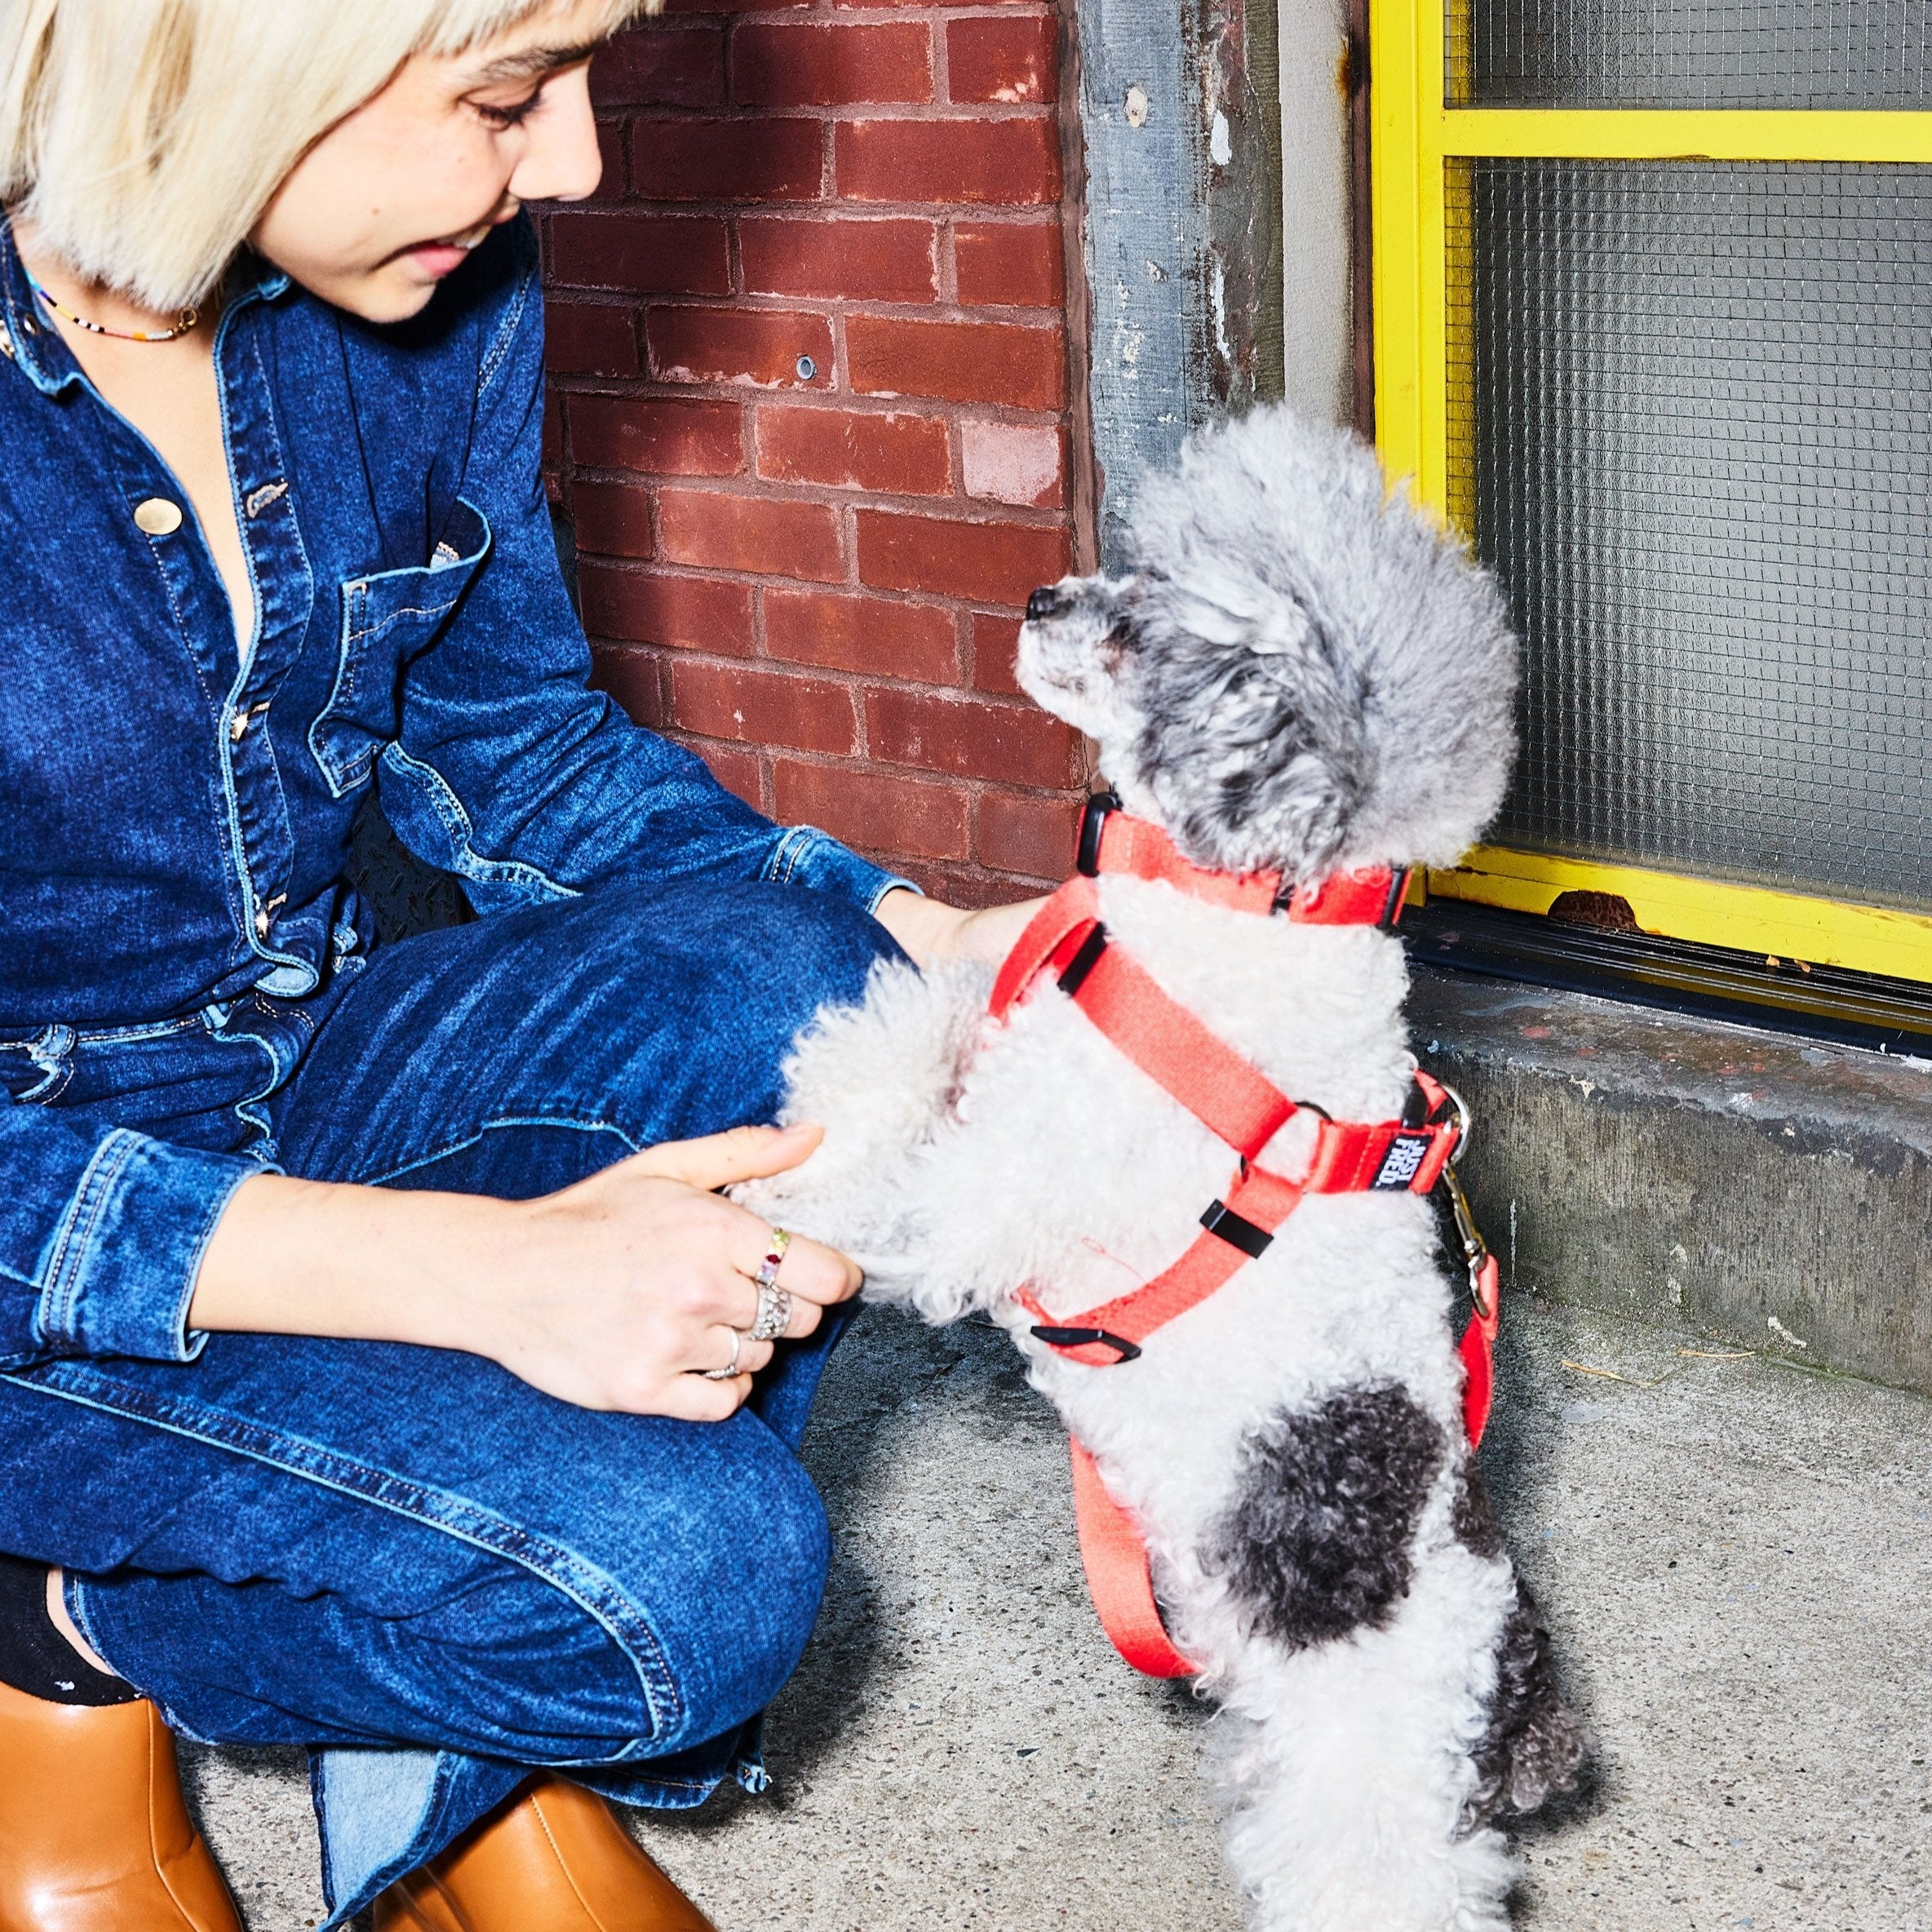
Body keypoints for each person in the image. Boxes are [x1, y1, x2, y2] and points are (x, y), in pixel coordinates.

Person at [0, 2, 1037, 1926]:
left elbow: (517, 745)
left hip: (288, 1059)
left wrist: (945, 944)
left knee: (822, 998)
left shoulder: (422, 276)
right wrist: (485, 1274)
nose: (564, 163)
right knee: (684, 1584)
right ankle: (54, 1641)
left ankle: (447, 1748)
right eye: (501, 96)